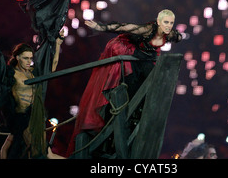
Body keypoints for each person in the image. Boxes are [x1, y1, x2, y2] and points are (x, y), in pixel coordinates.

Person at [67, 9, 185, 157]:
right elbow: (123, 27)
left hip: (146, 57)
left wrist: (179, 36)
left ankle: (139, 113)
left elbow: (178, 37)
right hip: (130, 50)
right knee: (134, 81)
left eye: (171, 23)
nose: (168, 26)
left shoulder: (171, 34)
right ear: (158, 22)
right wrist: (101, 27)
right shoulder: (147, 30)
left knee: (150, 77)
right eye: (166, 22)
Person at [0, 29, 64, 159]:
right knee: (31, 152)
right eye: (25, 58)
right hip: (20, 118)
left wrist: (58, 43)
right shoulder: (11, 74)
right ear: (17, 58)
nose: (29, 61)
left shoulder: (34, 73)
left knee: (46, 154)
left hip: (36, 117)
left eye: (30, 58)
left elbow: (52, 67)